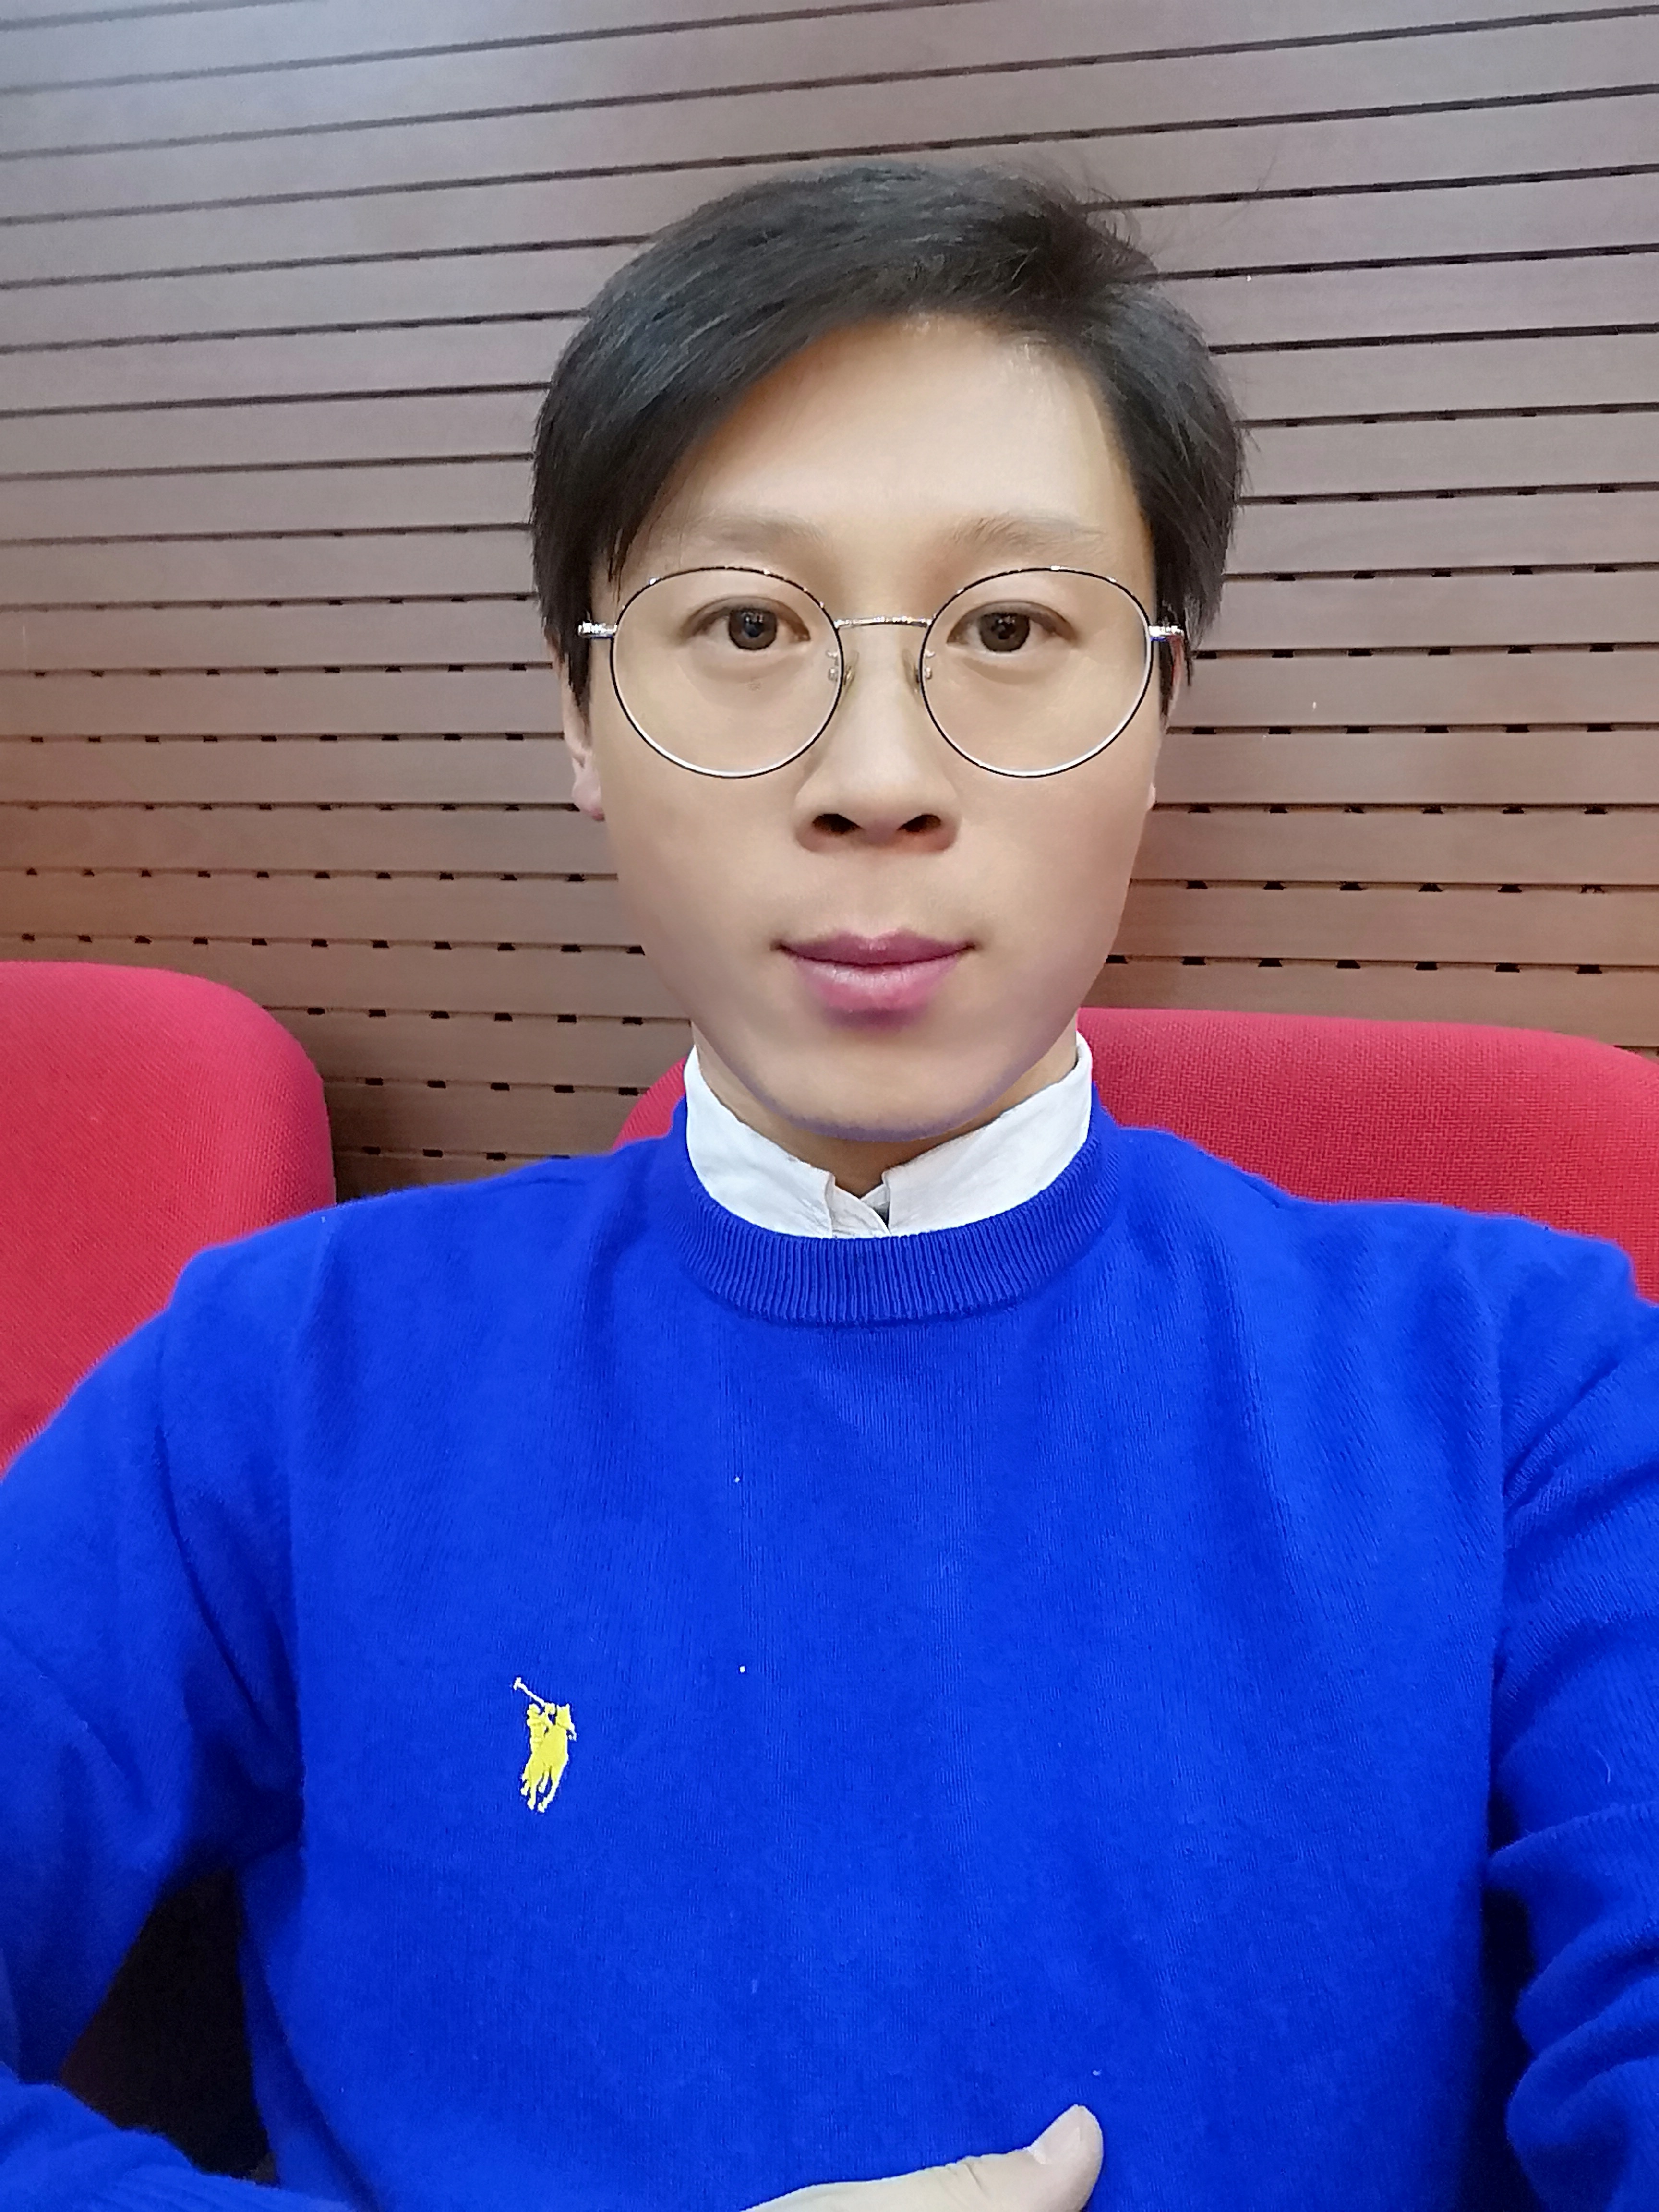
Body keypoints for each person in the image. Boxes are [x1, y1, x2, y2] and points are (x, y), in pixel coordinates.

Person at [1, 159, 1656, 2212]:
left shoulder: (1524, 1388)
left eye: (1013, 628)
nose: (879, 776)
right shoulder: (283, 1377)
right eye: (748, 626)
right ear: (582, 717)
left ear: (1162, 708)